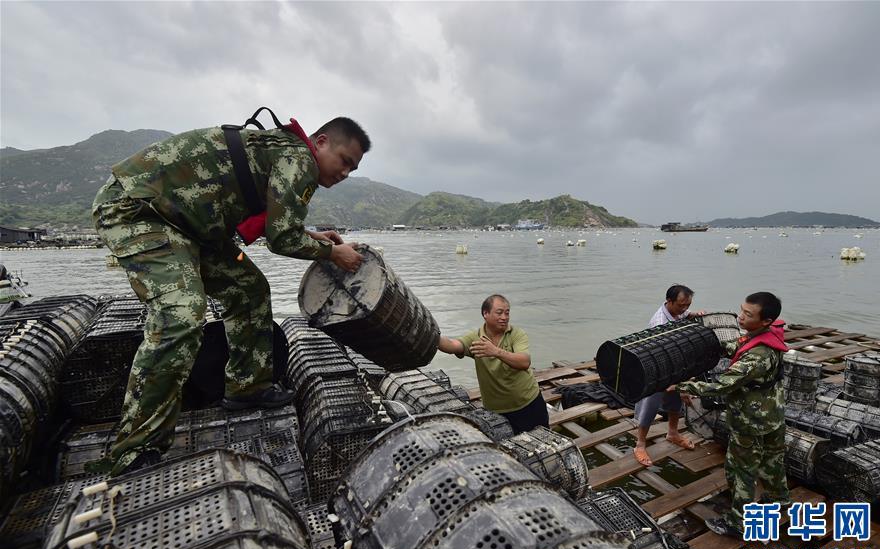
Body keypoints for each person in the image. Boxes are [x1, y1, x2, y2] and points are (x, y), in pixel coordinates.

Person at [89, 114, 370, 476]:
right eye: (344, 161)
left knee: (249, 289)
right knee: (181, 315)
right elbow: (283, 238)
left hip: (193, 229)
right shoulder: (299, 159)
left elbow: (279, 227)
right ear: (319, 143)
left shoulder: (286, 154)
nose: (345, 173)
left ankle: (247, 387)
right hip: (140, 210)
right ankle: (133, 452)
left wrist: (315, 238)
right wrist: (334, 253)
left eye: (353, 169)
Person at [667, 291, 789, 537]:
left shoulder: (758, 356)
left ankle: (739, 522)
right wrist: (714, 345)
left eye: (748, 314)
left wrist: (683, 386)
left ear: (765, 320)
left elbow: (722, 385)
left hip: (750, 420)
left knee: (741, 469)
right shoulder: (770, 335)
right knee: (773, 459)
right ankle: (779, 499)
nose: (740, 317)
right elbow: (739, 345)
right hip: (773, 414)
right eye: (741, 310)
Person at [437, 294, 548, 433]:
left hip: (528, 404)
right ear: (485, 313)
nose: (504, 317)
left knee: (542, 443)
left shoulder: (516, 334)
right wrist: (434, 336)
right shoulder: (476, 337)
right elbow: (453, 346)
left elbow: (524, 361)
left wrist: (496, 351)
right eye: (499, 312)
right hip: (496, 411)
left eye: (507, 313)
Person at [633, 284, 701, 466]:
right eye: (681, 305)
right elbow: (664, 358)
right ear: (669, 302)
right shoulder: (660, 324)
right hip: (657, 369)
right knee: (650, 405)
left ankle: (672, 433)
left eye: (688, 305)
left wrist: (692, 314)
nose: (684, 309)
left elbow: (684, 314)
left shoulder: (677, 312)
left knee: (674, 400)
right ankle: (640, 444)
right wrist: (683, 384)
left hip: (674, 364)